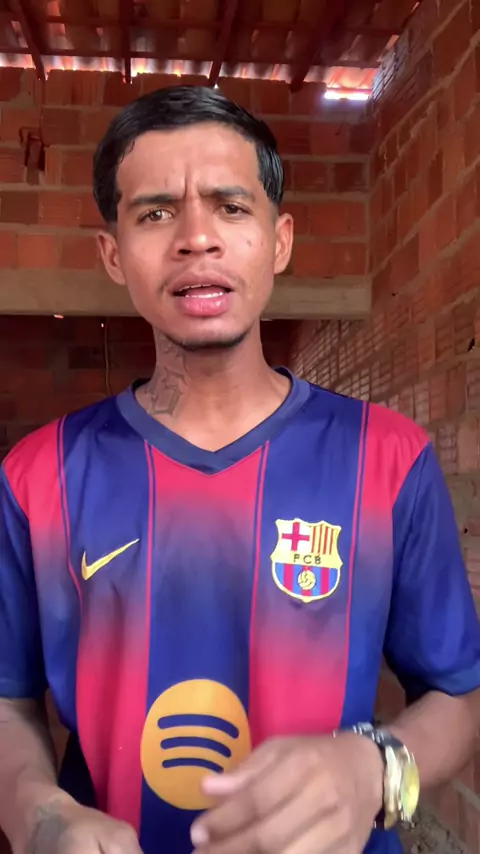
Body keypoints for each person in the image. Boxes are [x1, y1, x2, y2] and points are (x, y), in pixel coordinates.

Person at [0, 85, 479, 854]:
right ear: (113, 254)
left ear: (279, 240)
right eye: (156, 213)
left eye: (230, 207)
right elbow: (8, 698)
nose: (196, 239)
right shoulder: (36, 479)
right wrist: (36, 814)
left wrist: (374, 769)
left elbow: (460, 696)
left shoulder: (389, 459)